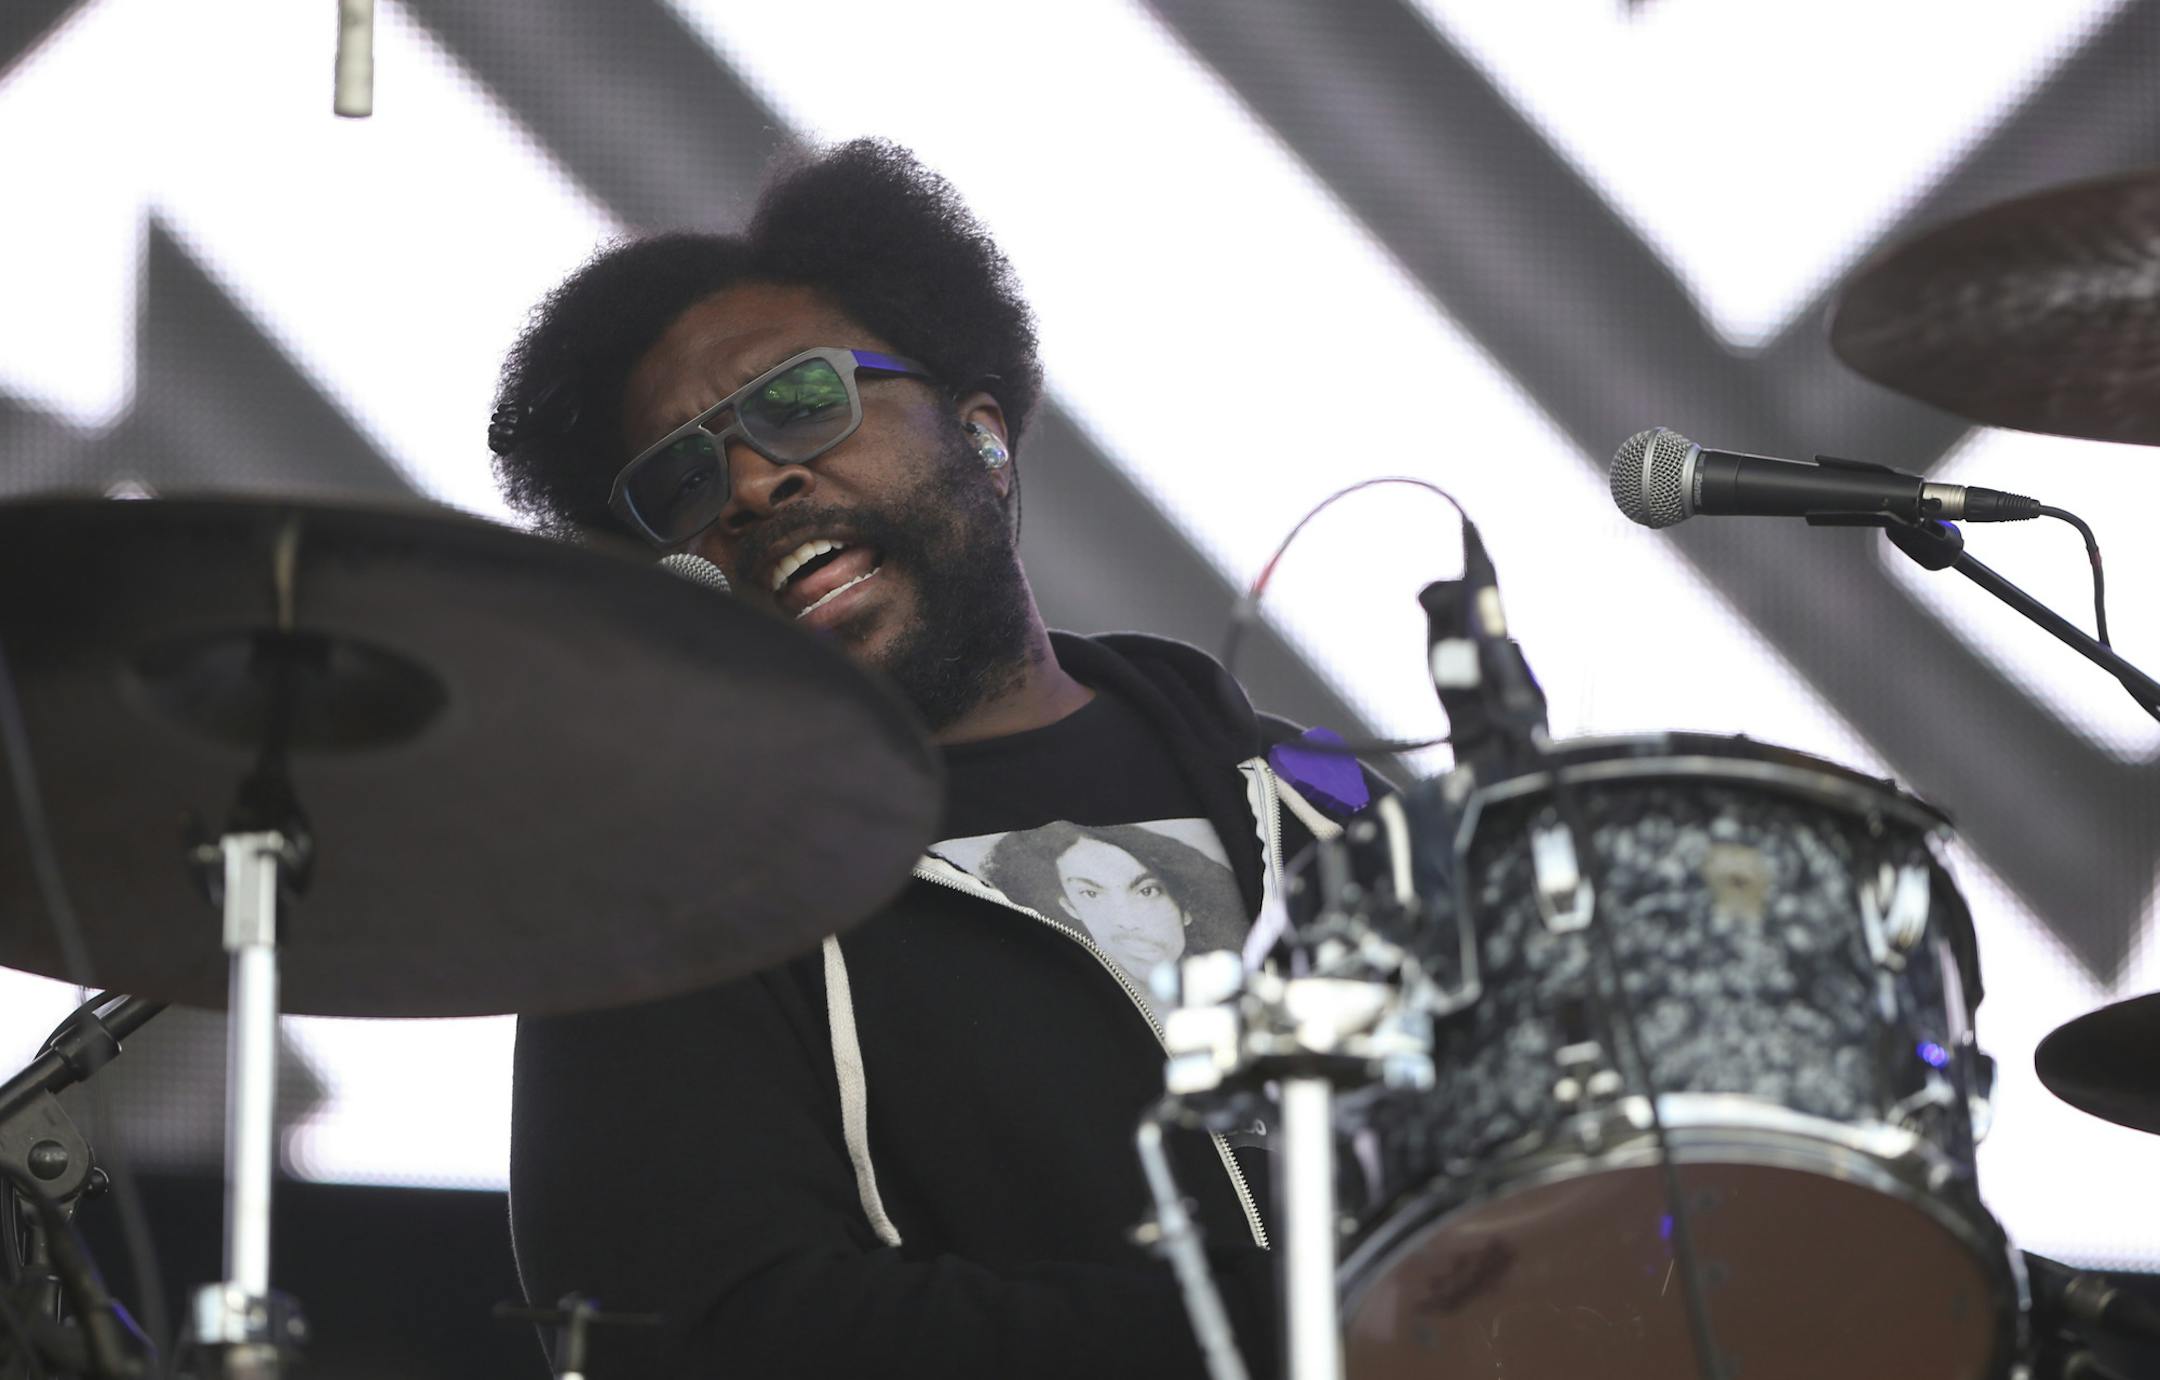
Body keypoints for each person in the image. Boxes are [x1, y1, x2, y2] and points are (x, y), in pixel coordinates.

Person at [490, 138, 1370, 1380]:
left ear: (982, 432)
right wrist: (1300, 1335)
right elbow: (700, 1337)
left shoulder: (1326, 804)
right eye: (684, 479)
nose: (750, 482)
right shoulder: (673, 908)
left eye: (800, 401)